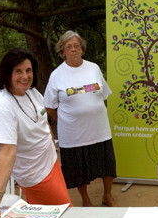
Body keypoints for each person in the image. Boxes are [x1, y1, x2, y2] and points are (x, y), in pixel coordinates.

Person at [0, 48, 72, 207]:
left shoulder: (32, 92)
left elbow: (43, 121)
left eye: (28, 70)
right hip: (35, 174)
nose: (25, 76)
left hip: (50, 163)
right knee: (65, 214)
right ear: (7, 74)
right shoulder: (3, 106)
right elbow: (7, 152)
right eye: (18, 71)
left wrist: (54, 150)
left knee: (45, 216)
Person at [44, 30, 117, 207]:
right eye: (69, 47)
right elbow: (49, 105)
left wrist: (91, 109)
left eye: (77, 46)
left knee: (107, 165)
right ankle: (86, 199)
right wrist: (66, 119)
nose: (73, 49)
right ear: (62, 52)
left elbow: (104, 95)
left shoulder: (93, 68)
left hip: (99, 130)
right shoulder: (57, 75)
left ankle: (107, 196)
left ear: (82, 48)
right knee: (78, 170)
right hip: (74, 134)